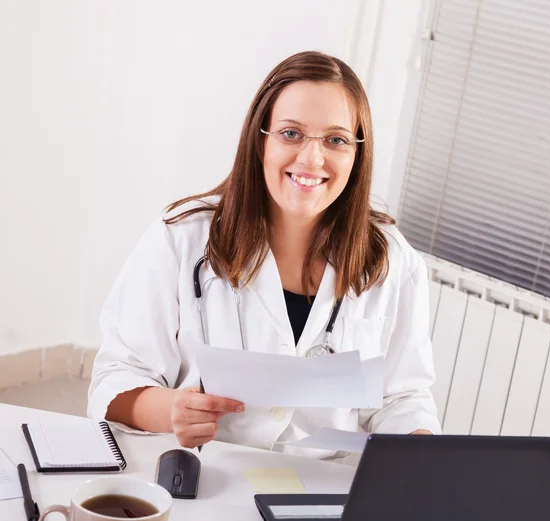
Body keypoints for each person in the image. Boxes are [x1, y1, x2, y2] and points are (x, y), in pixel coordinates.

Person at [88, 50, 441, 462]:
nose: (312, 158)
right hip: (207, 473)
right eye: (291, 133)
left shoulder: (393, 260)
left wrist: (422, 456)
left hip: (321, 491)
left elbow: (403, 396)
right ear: (261, 141)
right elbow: (114, 382)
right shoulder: (181, 238)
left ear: (356, 153)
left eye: (336, 139)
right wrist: (173, 411)